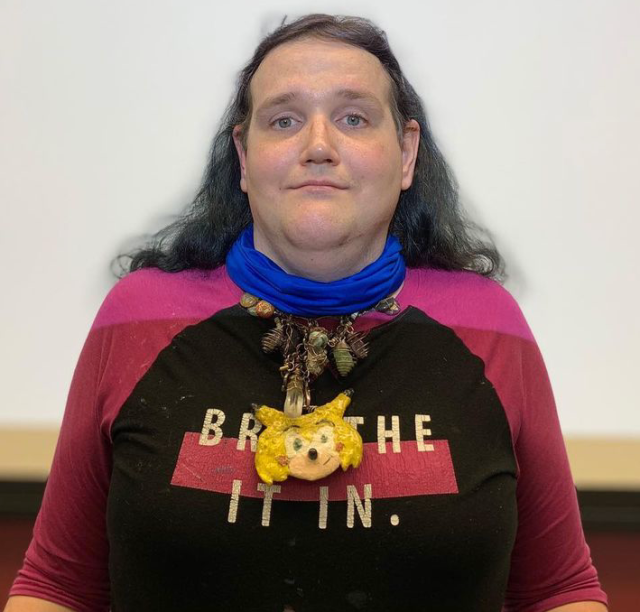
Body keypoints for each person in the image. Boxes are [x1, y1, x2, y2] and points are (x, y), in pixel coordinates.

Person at [5, 13, 608, 612]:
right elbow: (58, 588)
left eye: (353, 118)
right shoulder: (138, 318)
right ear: (244, 157)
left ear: (406, 154)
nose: (318, 147)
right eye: (284, 120)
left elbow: (559, 592)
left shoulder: (489, 325)